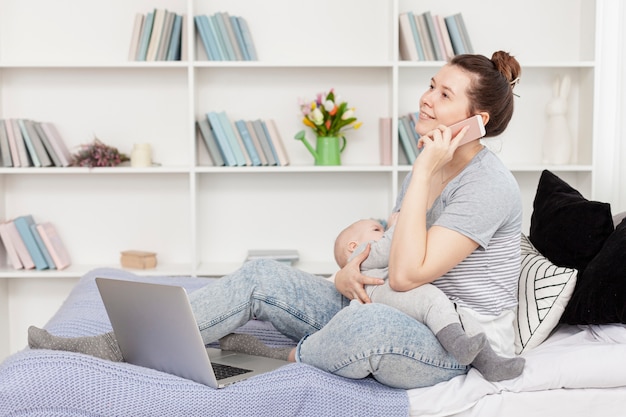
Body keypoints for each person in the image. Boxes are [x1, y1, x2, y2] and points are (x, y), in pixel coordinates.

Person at [28, 50, 524, 389]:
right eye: (430, 86)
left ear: (477, 120)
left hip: (451, 339)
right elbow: (393, 246)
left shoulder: (485, 184)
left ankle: (280, 357)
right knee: (262, 276)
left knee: (369, 327)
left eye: (444, 95)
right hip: (383, 300)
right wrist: (347, 269)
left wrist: (421, 173)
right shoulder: (431, 162)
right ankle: (110, 345)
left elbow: (407, 275)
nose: (426, 99)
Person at [333, 217, 524, 380]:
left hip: (394, 292)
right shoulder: (360, 255)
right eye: (376, 229)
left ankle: (490, 363)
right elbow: (388, 247)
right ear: (353, 246)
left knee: (457, 312)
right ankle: (458, 344)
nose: (382, 232)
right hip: (379, 293)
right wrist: (400, 224)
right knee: (431, 299)